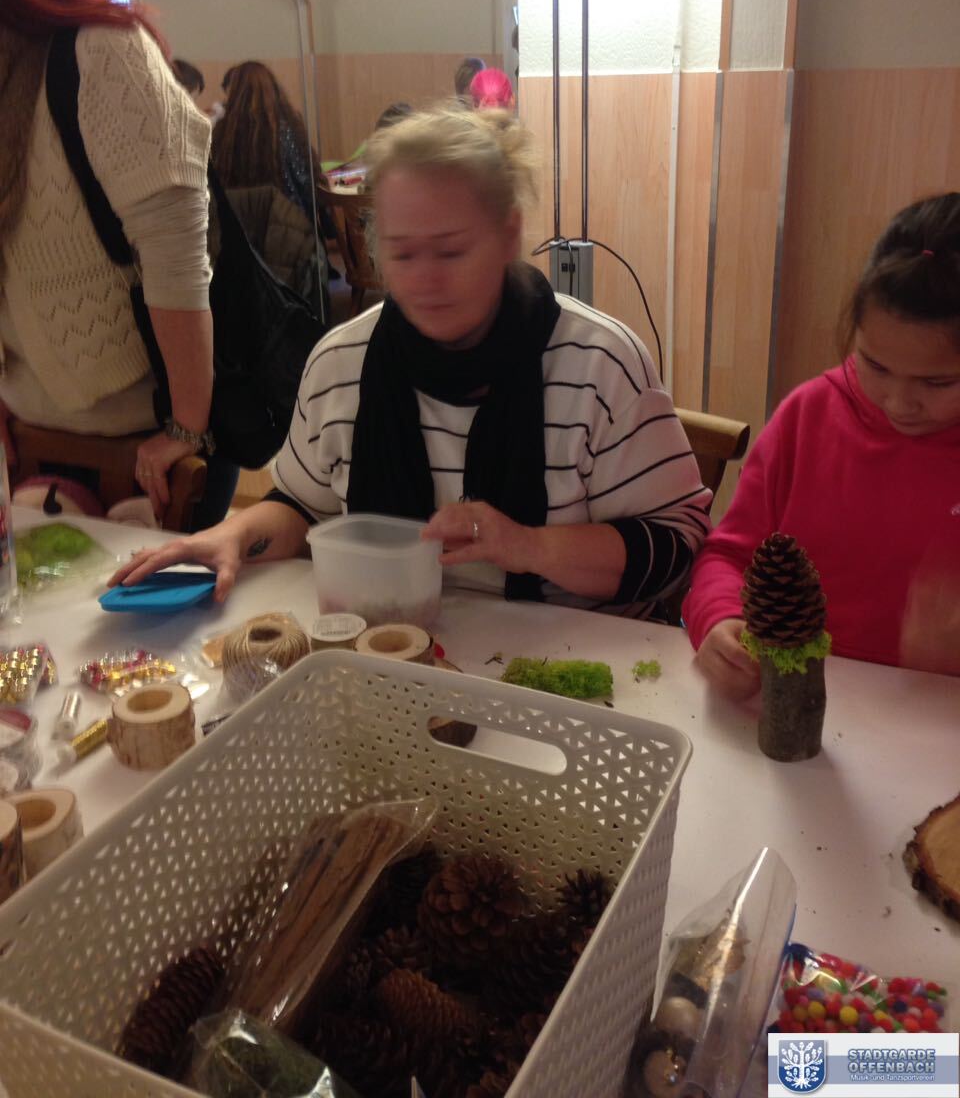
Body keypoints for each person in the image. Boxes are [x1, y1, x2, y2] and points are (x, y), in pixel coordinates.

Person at [112, 103, 711, 607]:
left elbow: (679, 544)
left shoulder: (599, 364)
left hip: (565, 670)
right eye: (402, 254)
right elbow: (300, 506)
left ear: (508, 236)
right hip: (390, 643)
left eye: (450, 252)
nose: (425, 280)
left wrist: (527, 546)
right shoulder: (340, 364)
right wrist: (236, 534)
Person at [0, 0, 224, 527]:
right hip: (28, 432)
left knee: (153, 598)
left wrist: (187, 427)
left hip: (147, 440)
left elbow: (175, 251)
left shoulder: (101, 51)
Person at [683, 194, 960, 693]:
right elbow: (728, 556)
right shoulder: (807, 416)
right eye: (875, 366)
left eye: (937, 383)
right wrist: (719, 618)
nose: (899, 402)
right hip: (789, 699)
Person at [214, 61, 322, 224]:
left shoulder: (223, 133)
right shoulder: (287, 129)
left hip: (239, 229)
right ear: (273, 89)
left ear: (234, 92)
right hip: (290, 227)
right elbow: (306, 183)